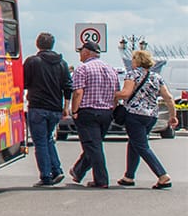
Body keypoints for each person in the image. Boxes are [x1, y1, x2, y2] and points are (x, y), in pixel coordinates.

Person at [115, 49, 173, 189]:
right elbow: (169, 98)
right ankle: (129, 176)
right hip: (151, 115)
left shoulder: (132, 74)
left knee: (141, 146)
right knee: (134, 143)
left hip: (135, 115)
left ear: (137, 61)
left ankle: (162, 175)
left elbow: (126, 93)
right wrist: (173, 115)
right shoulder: (156, 77)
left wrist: (114, 95)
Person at [66, 39, 120, 188]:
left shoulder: (82, 69)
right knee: (94, 144)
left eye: (80, 52)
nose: (79, 56)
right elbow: (116, 93)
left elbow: (78, 92)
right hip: (106, 112)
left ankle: (101, 179)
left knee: (93, 146)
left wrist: (75, 110)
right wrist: (111, 108)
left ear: (86, 52)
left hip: (88, 112)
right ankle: (78, 171)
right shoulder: (111, 69)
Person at [22, 32, 73, 186]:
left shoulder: (32, 62)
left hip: (37, 107)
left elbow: (23, 82)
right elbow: (68, 87)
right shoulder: (62, 63)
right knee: (49, 138)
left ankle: (46, 175)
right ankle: (56, 170)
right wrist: (66, 107)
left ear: (38, 44)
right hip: (55, 108)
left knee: (41, 142)